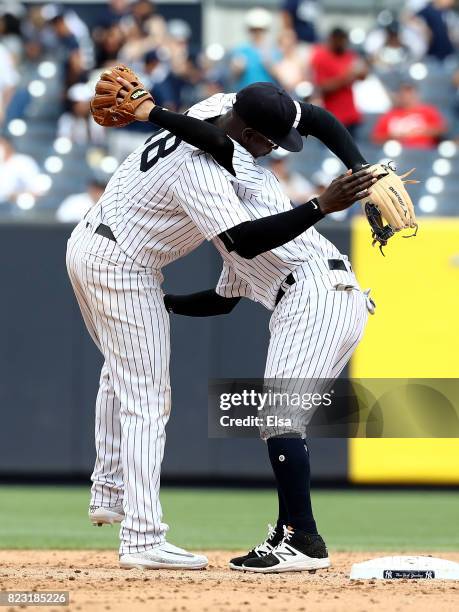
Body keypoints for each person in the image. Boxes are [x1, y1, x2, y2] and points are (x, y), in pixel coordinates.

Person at [79, 72, 376, 572]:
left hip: (317, 294)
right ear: (250, 135)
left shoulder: (239, 170)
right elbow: (222, 294)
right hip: (308, 294)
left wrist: (334, 197)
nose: (276, 151)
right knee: (276, 421)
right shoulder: (226, 170)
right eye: (272, 142)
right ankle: (293, 535)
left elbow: (244, 226)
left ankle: (301, 539)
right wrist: (155, 305)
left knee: (279, 420)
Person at [311, 27, 368, 136]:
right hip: (331, 116)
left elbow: (362, 75)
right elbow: (322, 87)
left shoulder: (349, 56)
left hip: (351, 116)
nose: (341, 44)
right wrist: (346, 77)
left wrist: (362, 71)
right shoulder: (321, 57)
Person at [372, 81, 447, 148]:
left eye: (410, 93)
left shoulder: (427, 111)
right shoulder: (390, 115)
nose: (407, 97)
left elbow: (441, 129)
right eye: (403, 94)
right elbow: (376, 138)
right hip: (398, 152)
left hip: (424, 151)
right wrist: (394, 136)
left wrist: (421, 131)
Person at [230, 8, 280, 90]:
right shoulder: (241, 49)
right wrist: (237, 68)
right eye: (254, 30)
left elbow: (280, 76)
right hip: (245, 94)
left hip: (268, 95)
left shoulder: (273, 50)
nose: (257, 33)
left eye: (260, 30)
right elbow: (233, 75)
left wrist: (270, 64)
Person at [0, 135, 40, 206]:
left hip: (13, 206)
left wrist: (16, 195)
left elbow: (36, 189)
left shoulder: (23, 161)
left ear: (8, 145)